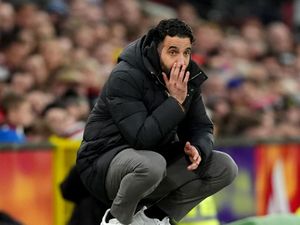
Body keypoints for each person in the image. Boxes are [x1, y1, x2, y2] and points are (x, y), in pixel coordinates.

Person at [76, 18, 238, 225]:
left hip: (154, 162)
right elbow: (140, 138)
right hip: (104, 164)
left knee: (223, 166)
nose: (181, 60)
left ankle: (154, 218)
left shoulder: (187, 77)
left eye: (186, 52)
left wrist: (199, 147)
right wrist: (175, 102)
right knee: (151, 165)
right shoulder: (125, 76)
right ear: (155, 49)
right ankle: (116, 219)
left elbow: (201, 126)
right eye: (173, 52)